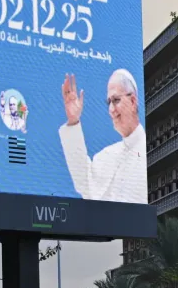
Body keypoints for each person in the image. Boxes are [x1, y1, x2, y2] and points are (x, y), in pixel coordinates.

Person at [58, 69, 147, 203]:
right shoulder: (106, 155)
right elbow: (84, 183)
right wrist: (73, 121)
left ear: (133, 101)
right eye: (108, 102)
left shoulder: (150, 152)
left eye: (116, 100)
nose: (111, 109)